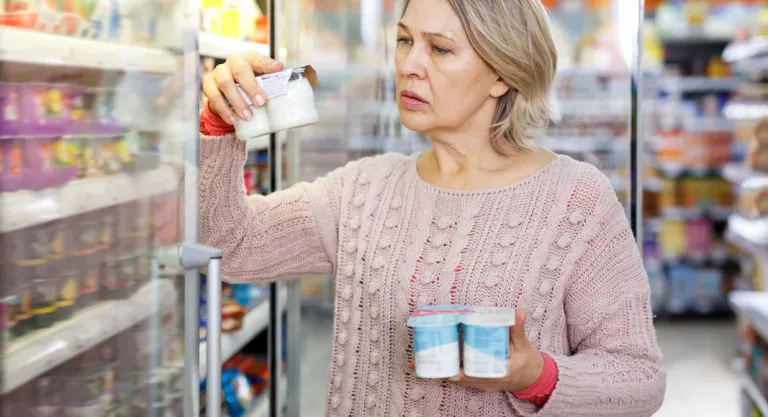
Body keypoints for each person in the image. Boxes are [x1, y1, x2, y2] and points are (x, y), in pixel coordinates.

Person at [198, 0, 666, 415]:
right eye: (405, 40)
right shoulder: (363, 189)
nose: (409, 65)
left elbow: (639, 378)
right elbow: (229, 247)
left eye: (439, 49)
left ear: (502, 72)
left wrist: (535, 376)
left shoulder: (576, 199)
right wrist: (217, 126)